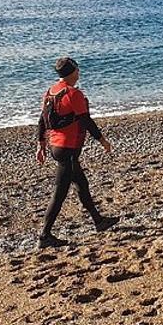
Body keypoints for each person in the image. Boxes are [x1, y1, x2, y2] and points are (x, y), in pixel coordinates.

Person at [35, 57, 118, 248]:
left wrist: (41, 145)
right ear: (73, 72)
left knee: (81, 183)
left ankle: (99, 221)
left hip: (56, 146)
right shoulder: (73, 94)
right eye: (78, 70)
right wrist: (102, 140)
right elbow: (87, 121)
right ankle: (44, 236)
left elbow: (42, 121)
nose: (79, 73)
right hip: (68, 149)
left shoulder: (50, 92)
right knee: (59, 193)